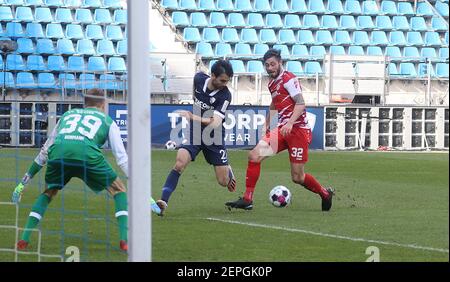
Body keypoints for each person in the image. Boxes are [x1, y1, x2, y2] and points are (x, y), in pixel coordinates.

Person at [12, 88, 161, 252]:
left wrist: (22, 183)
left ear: (85, 104)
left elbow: (44, 151)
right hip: (88, 155)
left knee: (49, 192)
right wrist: (145, 193)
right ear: (103, 104)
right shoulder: (108, 121)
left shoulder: (67, 116)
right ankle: (124, 240)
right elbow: (122, 159)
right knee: (118, 189)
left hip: (59, 154)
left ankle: (24, 238)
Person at [225, 49, 334, 211]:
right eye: (267, 65)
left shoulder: (289, 79)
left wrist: (290, 123)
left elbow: (300, 103)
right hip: (282, 130)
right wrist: (267, 123)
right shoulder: (271, 83)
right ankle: (248, 199)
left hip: (298, 131)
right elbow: (275, 103)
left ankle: (324, 193)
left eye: (273, 64)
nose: (270, 68)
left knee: (297, 177)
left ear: (280, 63)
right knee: (254, 155)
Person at [156, 59, 236, 215]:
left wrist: (193, 116)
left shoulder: (225, 95)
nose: (225, 83)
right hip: (195, 133)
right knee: (180, 163)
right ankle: (163, 201)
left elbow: (215, 122)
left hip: (214, 137)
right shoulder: (199, 78)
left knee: (223, 181)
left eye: (227, 81)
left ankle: (228, 170)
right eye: (222, 80)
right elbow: (195, 91)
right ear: (213, 75)